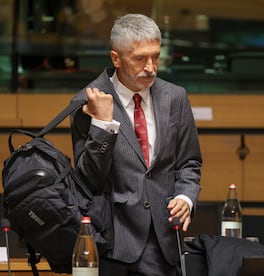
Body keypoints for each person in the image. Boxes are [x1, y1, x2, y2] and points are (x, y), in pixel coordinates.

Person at [70, 14, 202, 276]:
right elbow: (88, 181)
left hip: (165, 241)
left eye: (156, 56)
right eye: (140, 58)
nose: (151, 67)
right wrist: (103, 125)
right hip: (113, 243)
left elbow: (189, 163)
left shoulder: (175, 97)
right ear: (116, 58)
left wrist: (186, 197)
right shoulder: (88, 101)